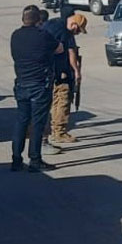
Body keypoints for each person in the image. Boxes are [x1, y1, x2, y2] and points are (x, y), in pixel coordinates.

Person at [10, 6, 61, 172]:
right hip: (39, 84)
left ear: (23, 19)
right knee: (38, 123)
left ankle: (16, 160)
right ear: (38, 20)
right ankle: (35, 159)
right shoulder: (43, 35)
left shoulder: (15, 36)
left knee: (21, 122)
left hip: (21, 83)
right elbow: (59, 48)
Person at [42, 11, 86, 144]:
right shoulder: (66, 33)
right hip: (60, 71)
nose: (77, 33)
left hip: (46, 70)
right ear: (74, 25)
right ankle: (59, 132)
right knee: (63, 99)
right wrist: (76, 71)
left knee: (55, 100)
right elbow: (71, 52)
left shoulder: (52, 24)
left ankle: (55, 130)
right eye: (78, 30)